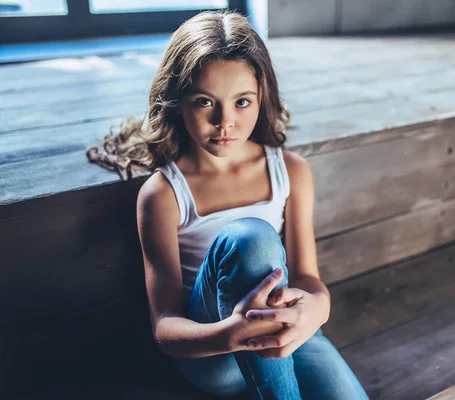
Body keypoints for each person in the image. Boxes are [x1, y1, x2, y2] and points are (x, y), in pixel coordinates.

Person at [86, 10, 370, 400]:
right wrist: (233, 332)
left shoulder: (290, 171)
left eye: (242, 102)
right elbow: (166, 328)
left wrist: (314, 312)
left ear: (262, 97)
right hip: (215, 351)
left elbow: (307, 279)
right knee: (250, 237)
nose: (225, 122)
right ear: (177, 101)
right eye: (205, 101)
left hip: (290, 334)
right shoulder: (164, 193)